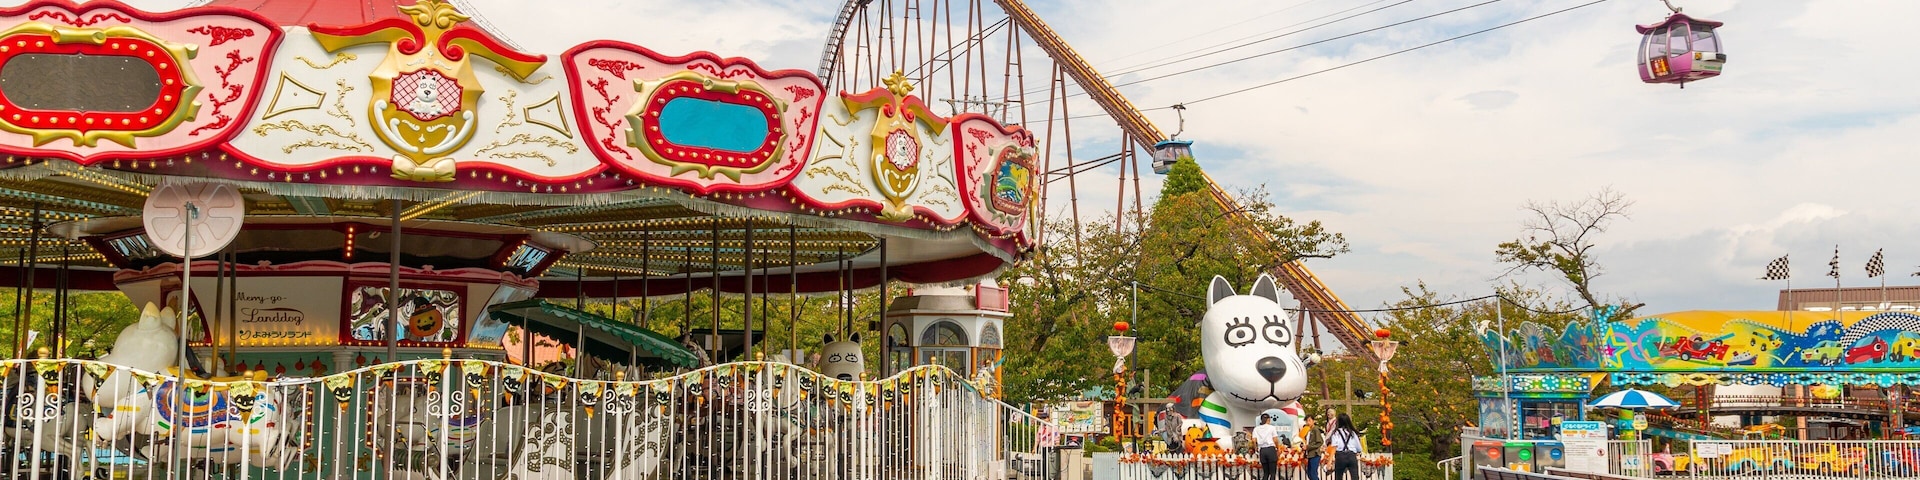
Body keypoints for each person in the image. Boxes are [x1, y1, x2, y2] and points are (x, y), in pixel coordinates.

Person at [1330, 412, 1362, 480]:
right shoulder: (1352, 433)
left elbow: (1334, 447)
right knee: (1355, 477)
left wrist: (1329, 461)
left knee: (1338, 477)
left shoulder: (1336, 433)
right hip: (1351, 455)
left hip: (1340, 456)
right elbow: (1359, 448)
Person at [1252, 414, 1281, 480]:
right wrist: (1277, 448)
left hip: (1262, 450)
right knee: (1272, 472)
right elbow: (1275, 440)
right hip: (1271, 449)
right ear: (1268, 420)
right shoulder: (1271, 428)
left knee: (1266, 473)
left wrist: (1256, 448)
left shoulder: (1256, 429)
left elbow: (1254, 440)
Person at [1302, 416, 1324, 480]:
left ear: (1313, 421)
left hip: (1315, 454)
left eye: (1309, 420)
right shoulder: (1309, 430)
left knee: (1313, 473)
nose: (1308, 422)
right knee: (1310, 473)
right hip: (1310, 454)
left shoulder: (1315, 429)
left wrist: (1308, 447)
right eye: (1306, 421)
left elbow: (1320, 442)